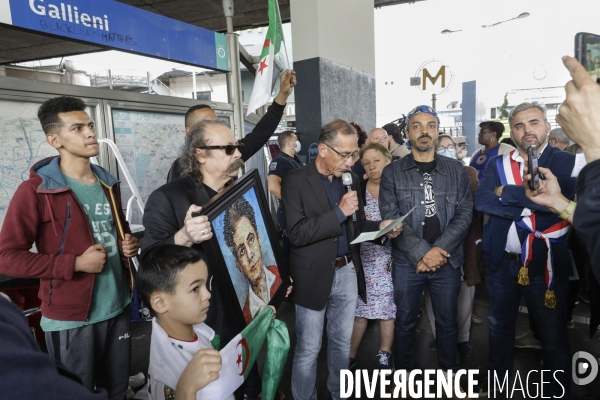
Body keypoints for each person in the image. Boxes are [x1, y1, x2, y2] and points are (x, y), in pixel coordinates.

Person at [141, 118, 293, 400]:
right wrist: (183, 236)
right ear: (200, 154)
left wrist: (278, 280)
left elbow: (263, 242)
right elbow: (150, 261)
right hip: (202, 324)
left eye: (237, 146)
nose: (238, 153)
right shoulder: (168, 198)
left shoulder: (240, 190)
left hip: (242, 311)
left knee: (244, 377)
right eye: (229, 148)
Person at [0, 96, 140, 399]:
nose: (90, 133)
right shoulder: (36, 191)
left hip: (117, 306)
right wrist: (73, 264)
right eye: (77, 128)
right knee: (78, 393)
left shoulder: (107, 183)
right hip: (72, 318)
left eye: (89, 125)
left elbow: (118, 231)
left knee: (117, 391)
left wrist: (128, 244)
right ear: (54, 140)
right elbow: (6, 258)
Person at [281, 120, 401, 400]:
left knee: (340, 344)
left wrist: (382, 228)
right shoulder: (295, 181)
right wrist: (339, 212)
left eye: (353, 155)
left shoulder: (352, 180)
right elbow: (297, 234)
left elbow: (354, 228)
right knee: (309, 349)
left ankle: (338, 393)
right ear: (323, 150)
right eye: (344, 155)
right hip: (311, 277)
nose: (351, 162)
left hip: (347, 271)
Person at [474, 101, 576, 398]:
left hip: (545, 263)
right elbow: (482, 201)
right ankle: (498, 388)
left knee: (552, 335)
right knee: (498, 328)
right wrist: (531, 199)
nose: (526, 130)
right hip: (502, 262)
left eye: (533, 123)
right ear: (513, 132)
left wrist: (506, 192)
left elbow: (556, 204)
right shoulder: (497, 163)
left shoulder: (565, 162)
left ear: (546, 127)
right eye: (519, 125)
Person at [378, 106, 472, 391]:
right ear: (407, 133)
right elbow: (391, 217)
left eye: (431, 125)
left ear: (438, 129)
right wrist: (423, 253)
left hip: (447, 260)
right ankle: (403, 382)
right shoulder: (392, 172)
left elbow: (465, 214)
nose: (424, 131)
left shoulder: (456, 171)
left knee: (447, 323)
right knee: (405, 323)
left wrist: (439, 250)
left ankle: (451, 381)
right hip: (408, 262)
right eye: (416, 126)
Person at [167, 70, 296, 182]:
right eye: (206, 124)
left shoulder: (230, 153)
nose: (235, 155)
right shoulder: (180, 173)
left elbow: (260, 133)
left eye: (217, 123)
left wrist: (283, 95)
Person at [136, 244, 229, 400]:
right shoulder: (167, 378)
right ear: (160, 303)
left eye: (205, 285)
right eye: (195, 289)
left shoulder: (194, 326)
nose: (207, 294)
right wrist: (185, 391)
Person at [424, 134, 484, 358]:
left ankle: (463, 337)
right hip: (434, 245)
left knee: (464, 293)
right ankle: (439, 336)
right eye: (442, 147)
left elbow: (474, 199)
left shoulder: (468, 172)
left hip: (464, 242)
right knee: (433, 294)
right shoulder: (426, 174)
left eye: (451, 147)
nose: (448, 150)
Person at [349, 142, 396, 371]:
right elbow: (353, 224)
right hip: (365, 256)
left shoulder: (397, 187)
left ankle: (385, 352)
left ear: (388, 161)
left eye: (376, 160)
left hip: (392, 257)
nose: (371, 166)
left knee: (388, 309)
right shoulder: (358, 188)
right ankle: (350, 355)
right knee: (361, 310)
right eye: (366, 163)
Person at [223, 196, 282, 323]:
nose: (250, 255)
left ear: (259, 239)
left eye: (251, 240)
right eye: (242, 251)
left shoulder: (279, 276)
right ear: (238, 264)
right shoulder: (245, 315)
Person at [268, 130, 303, 262]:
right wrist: (293, 202)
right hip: (290, 213)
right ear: (288, 143)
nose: (298, 143)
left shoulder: (294, 160)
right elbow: (273, 186)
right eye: (296, 140)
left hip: (299, 212)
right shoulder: (280, 162)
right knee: (292, 253)